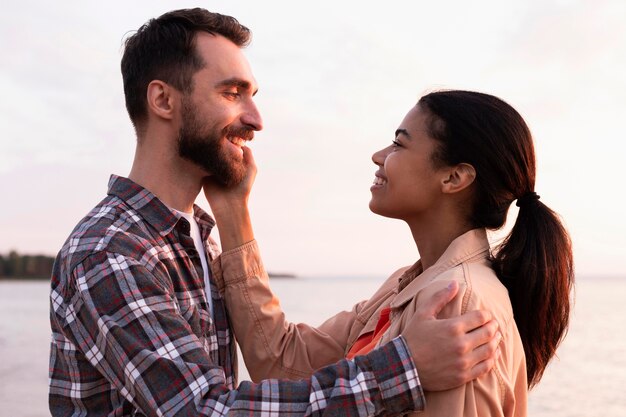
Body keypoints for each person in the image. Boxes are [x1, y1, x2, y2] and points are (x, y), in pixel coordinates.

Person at [48, 9, 501, 416]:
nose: (256, 118)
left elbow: (280, 361)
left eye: (252, 95)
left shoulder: (193, 239)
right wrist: (404, 369)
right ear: (163, 101)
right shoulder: (111, 252)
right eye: (232, 93)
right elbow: (207, 409)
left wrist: (233, 214)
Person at [205, 90, 574, 416]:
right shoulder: (407, 285)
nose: (378, 156)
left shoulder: (458, 302)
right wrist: (233, 210)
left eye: (399, 144)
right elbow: (284, 362)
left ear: (454, 178)